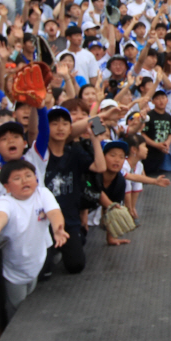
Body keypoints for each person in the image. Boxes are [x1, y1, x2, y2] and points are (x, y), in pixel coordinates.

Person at [0, 158, 68, 320]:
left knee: (29, 296)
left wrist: (58, 228)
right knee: (17, 305)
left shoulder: (42, 193)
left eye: (28, 175)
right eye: (17, 178)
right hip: (14, 268)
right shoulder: (5, 201)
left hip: (36, 261)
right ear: (6, 187)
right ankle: (11, 331)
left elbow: (54, 212)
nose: (24, 181)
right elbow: (1, 215)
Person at [43, 106, 107, 274]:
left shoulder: (74, 153)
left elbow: (100, 167)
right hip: (44, 222)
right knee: (44, 272)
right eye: (54, 123)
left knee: (76, 265)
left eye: (65, 123)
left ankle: (71, 242)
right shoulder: (39, 154)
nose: (60, 127)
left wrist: (95, 140)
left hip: (69, 219)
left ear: (70, 129)